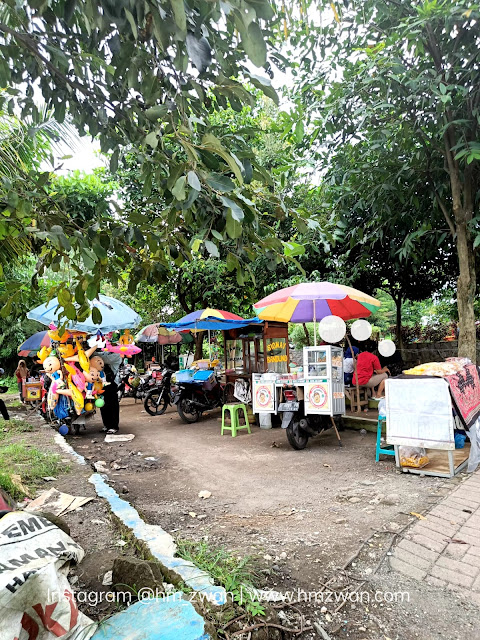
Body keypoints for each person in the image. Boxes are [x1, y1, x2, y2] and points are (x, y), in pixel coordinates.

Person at [97, 352, 122, 435]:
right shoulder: (105, 353)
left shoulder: (117, 356)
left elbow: (104, 359)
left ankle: (114, 426)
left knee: (112, 404)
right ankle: (106, 425)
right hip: (102, 384)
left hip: (112, 383)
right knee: (103, 404)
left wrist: (92, 353)